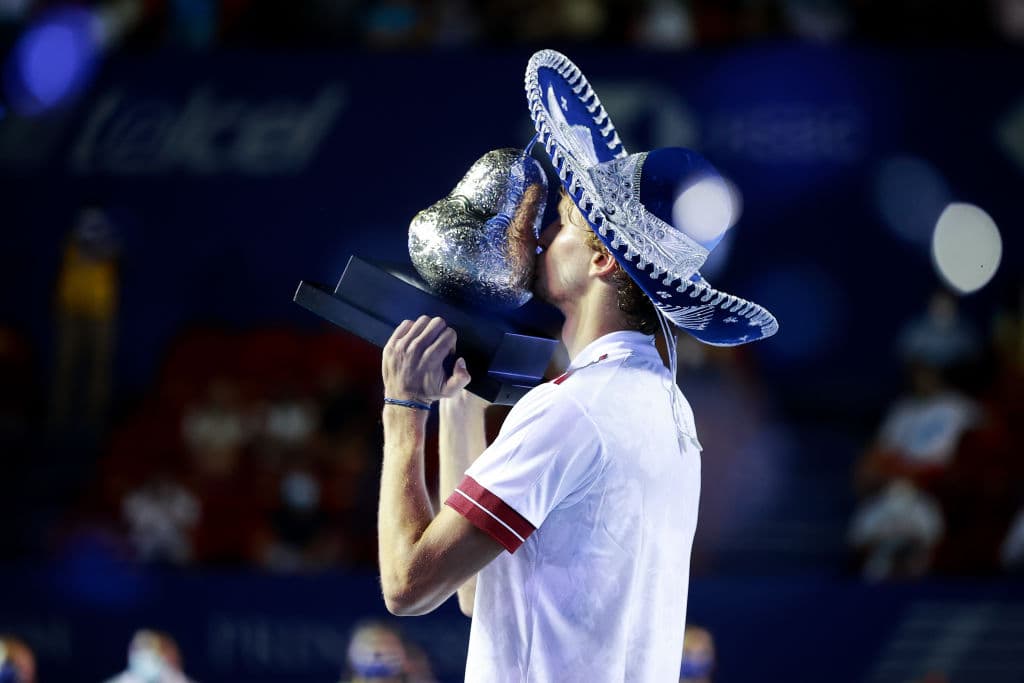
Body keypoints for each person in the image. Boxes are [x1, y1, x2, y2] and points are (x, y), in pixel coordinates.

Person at [374, 50, 776, 681]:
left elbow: (407, 585)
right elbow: (476, 592)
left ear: (602, 260)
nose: (539, 238)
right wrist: (459, 405)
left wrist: (404, 412)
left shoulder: (569, 410)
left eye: (562, 223)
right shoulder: (667, 410)